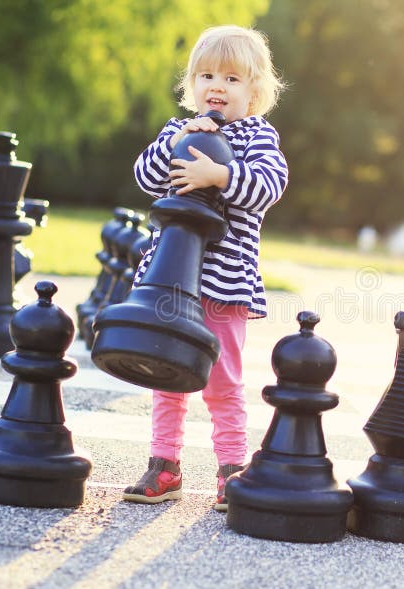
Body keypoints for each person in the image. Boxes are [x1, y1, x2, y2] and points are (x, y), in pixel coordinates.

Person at [123, 24, 287, 511]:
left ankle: (231, 468)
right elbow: (146, 177)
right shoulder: (179, 130)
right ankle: (165, 465)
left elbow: (269, 185)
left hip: (224, 285)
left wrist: (220, 174)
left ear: (254, 93)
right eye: (207, 75)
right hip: (169, 285)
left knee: (223, 382)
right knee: (166, 375)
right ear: (191, 85)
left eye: (232, 79)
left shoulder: (258, 135)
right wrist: (180, 139)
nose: (217, 85)